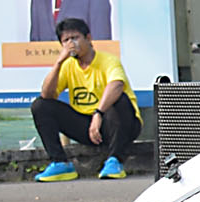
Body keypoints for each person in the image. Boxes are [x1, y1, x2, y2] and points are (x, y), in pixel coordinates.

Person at [31, 16, 136, 181]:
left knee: (119, 100)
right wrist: (58, 63)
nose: (71, 43)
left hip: (119, 124)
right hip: (88, 127)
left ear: (88, 38)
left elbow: (116, 85)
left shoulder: (108, 60)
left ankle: (115, 161)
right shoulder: (67, 66)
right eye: (66, 40)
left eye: (75, 38)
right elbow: (47, 95)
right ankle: (60, 164)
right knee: (40, 106)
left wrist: (98, 113)